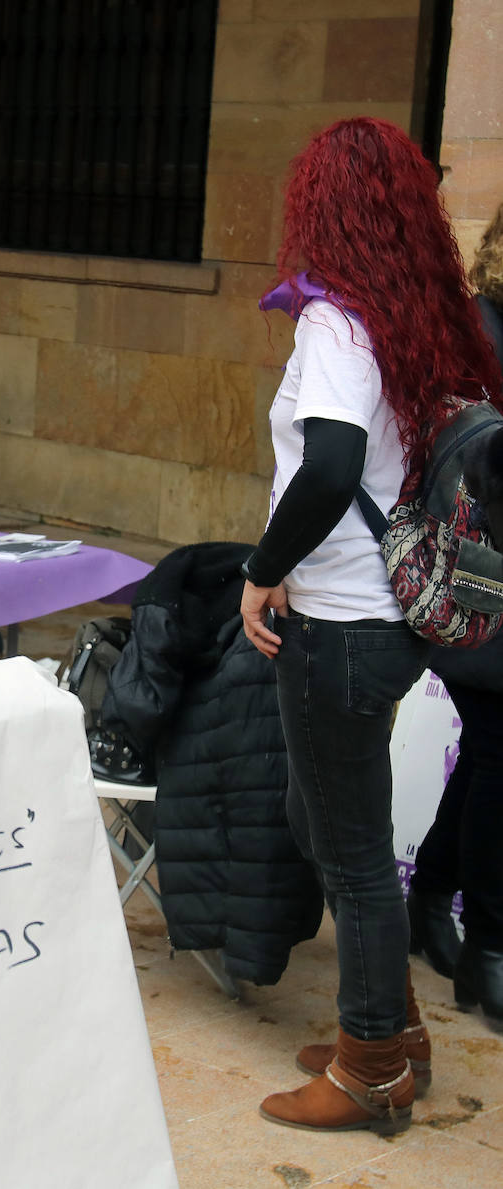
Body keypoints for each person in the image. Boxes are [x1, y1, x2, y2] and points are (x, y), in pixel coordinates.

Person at [238, 117, 502, 1133]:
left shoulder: (338, 324)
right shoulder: (421, 315)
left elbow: (333, 468)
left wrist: (261, 570)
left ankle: (372, 1069)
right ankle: (391, 1025)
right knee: (323, 820)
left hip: (342, 618)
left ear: (323, 208)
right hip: (389, 617)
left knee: (347, 847)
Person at [404, 201, 503, 1032]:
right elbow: (470, 463)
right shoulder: (480, 330)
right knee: (501, 754)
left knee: (489, 754)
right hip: (482, 589)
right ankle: (489, 948)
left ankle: (433, 897)